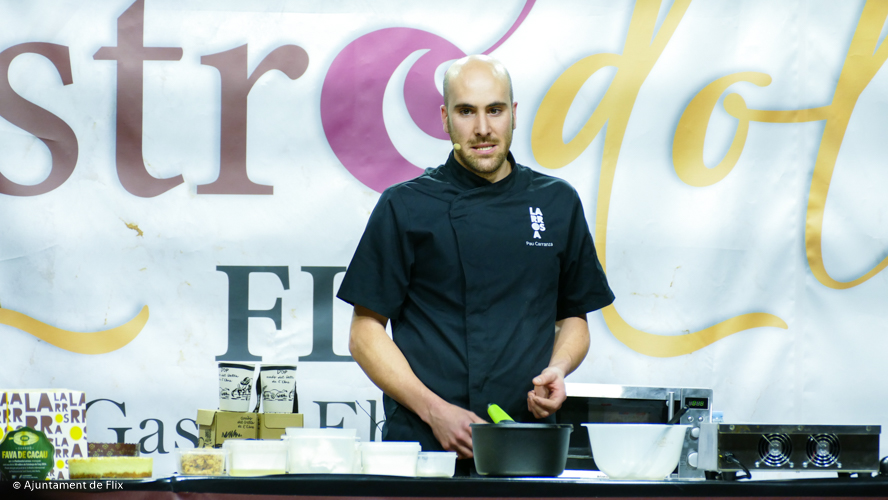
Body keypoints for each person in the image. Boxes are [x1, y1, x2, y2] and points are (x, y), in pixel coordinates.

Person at [336, 55, 614, 462]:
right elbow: (364, 333)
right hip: (423, 447)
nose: (483, 128)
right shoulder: (405, 205)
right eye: (466, 111)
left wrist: (558, 368)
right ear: (445, 119)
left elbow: (574, 317)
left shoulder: (557, 202)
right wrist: (434, 411)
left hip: (525, 442)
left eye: (495, 110)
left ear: (513, 114)